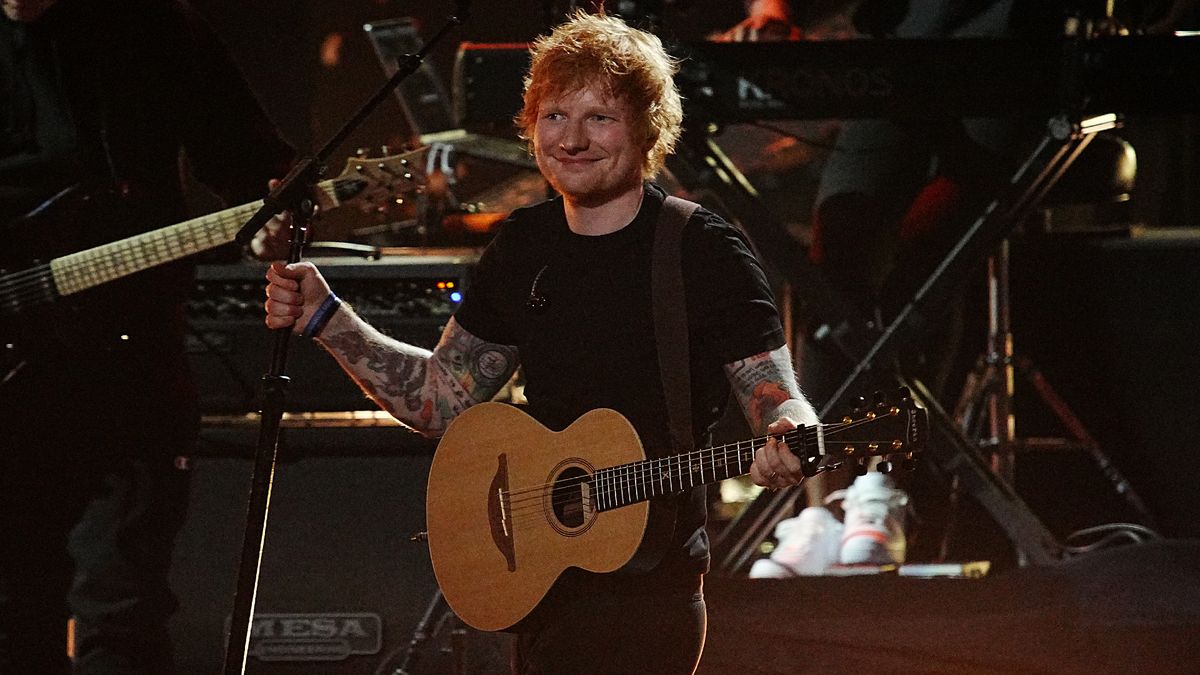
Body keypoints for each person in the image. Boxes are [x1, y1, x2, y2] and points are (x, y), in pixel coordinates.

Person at [263, 10, 817, 673]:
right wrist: (328, 318)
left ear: (646, 129)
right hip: (540, 579)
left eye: (599, 118)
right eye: (554, 116)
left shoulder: (702, 250)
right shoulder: (524, 246)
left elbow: (778, 402)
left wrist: (791, 437)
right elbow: (442, 400)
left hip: (651, 595)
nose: (572, 139)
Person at [0, 0, 293, 671]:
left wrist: (274, 220)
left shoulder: (153, 26)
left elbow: (255, 168)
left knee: (123, 614)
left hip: (129, 372)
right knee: (12, 616)